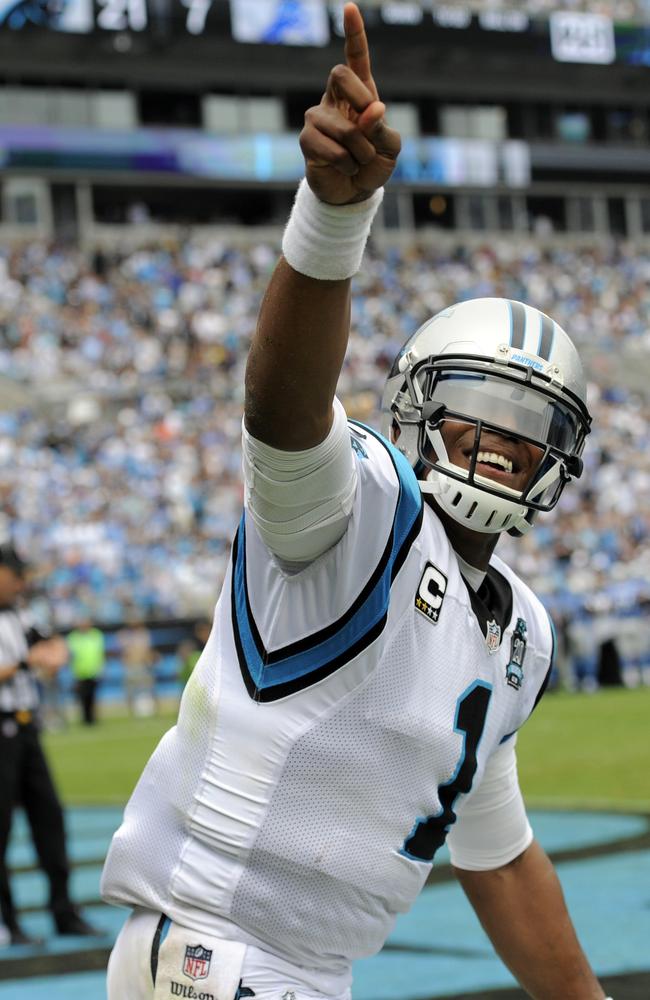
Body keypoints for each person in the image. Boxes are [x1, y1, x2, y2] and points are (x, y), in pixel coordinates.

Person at [101, 6, 613, 999]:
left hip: (308, 973)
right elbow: (280, 406)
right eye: (476, 413)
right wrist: (332, 218)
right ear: (422, 409)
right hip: (213, 955)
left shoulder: (518, 634)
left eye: (525, 426)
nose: (498, 444)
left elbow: (496, 852)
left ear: (559, 457)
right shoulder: (356, 510)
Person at [0, 542, 100, 945]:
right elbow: (28, 659)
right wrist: (28, 663)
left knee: (50, 821)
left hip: (27, 727)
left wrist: (53, 653)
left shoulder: (21, 613)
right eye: (15, 575)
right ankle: (8, 920)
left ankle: (63, 910)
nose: (22, 582)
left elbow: (53, 643)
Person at [66, 617, 106, 725]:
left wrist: (101, 668)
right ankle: (85, 719)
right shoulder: (73, 637)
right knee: (82, 697)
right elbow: (70, 654)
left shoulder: (96, 635)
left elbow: (100, 652)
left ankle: (92, 718)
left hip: (93, 671)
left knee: (92, 696)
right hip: (80, 672)